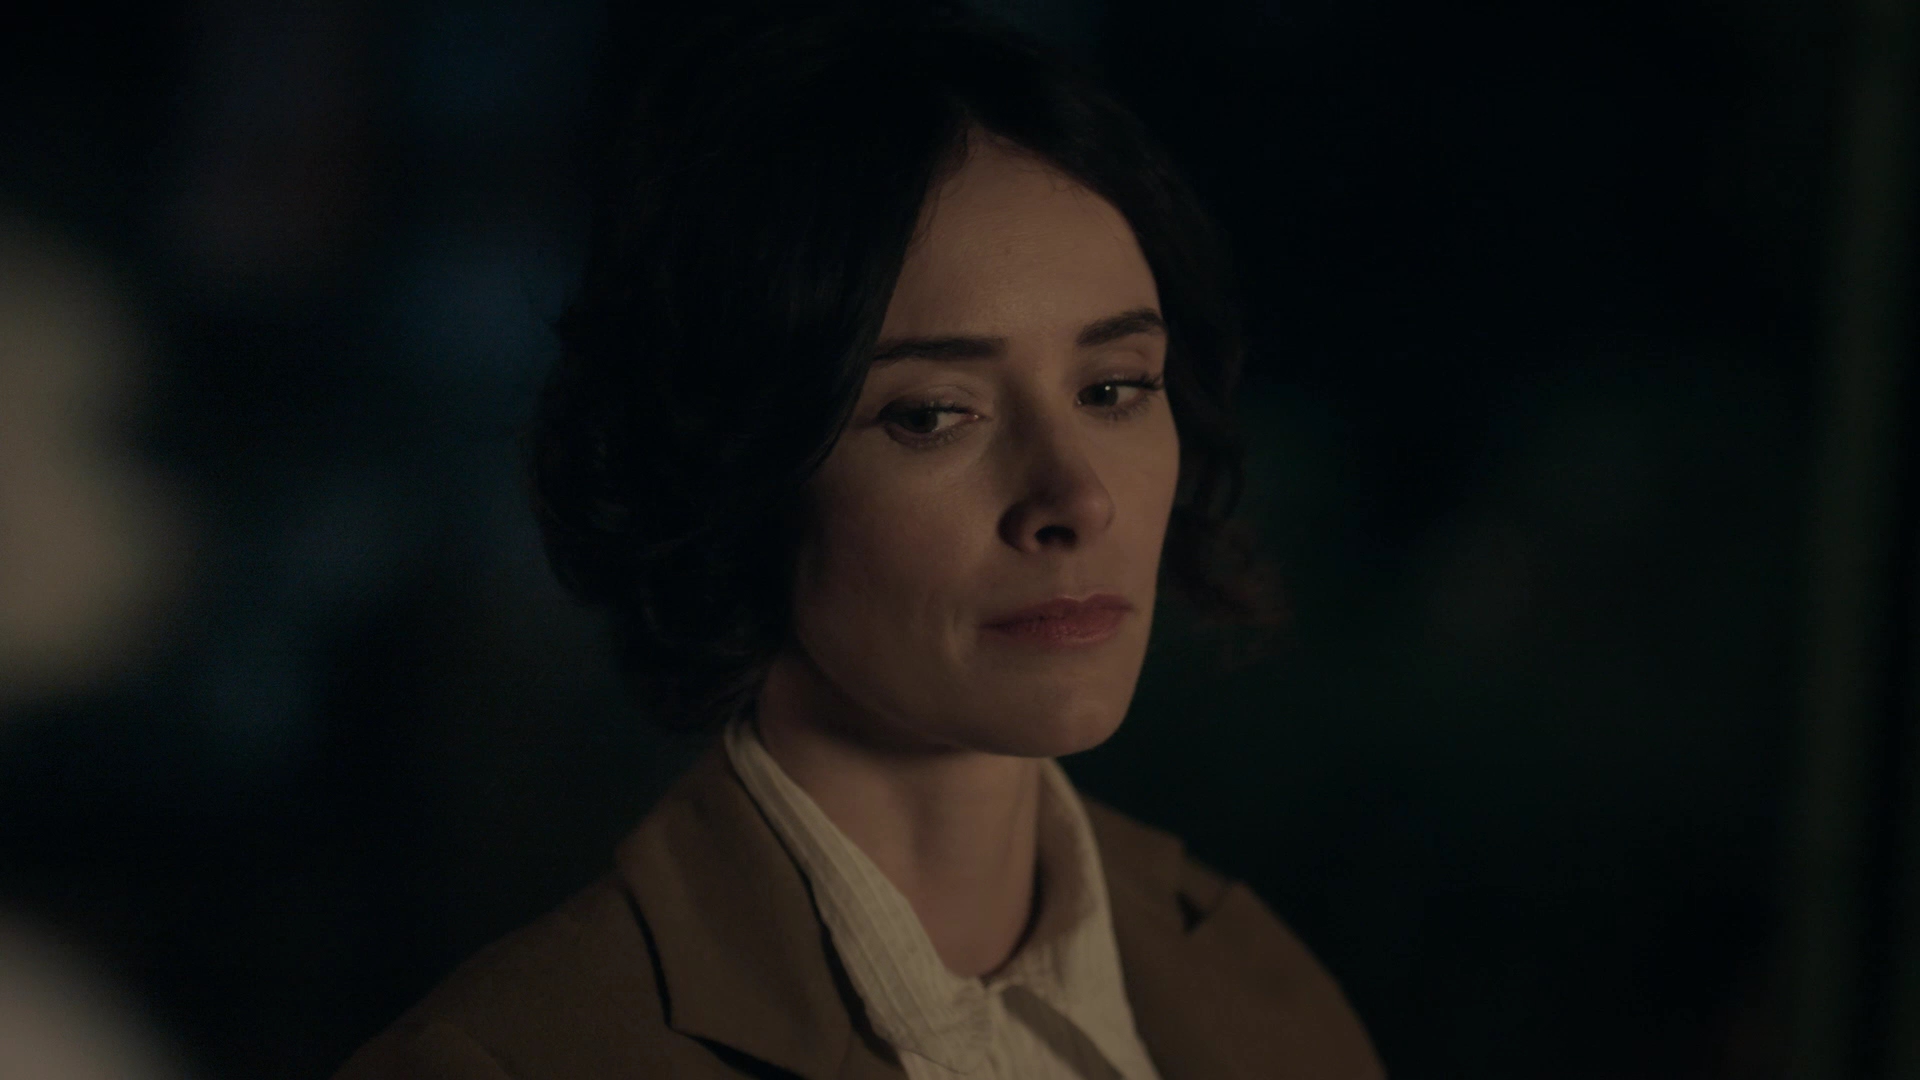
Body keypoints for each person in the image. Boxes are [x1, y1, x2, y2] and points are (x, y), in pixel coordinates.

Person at [335, 7, 1381, 1078]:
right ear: (738, 467)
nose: (1076, 499)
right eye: (932, 415)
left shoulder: (1258, 988)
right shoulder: (511, 1060)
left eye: (1112, 390)